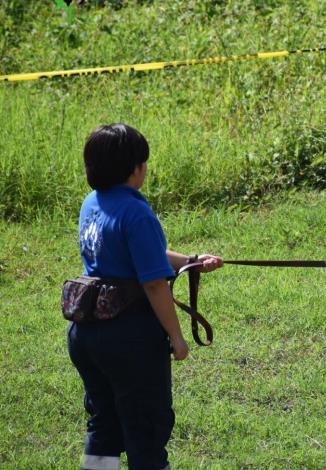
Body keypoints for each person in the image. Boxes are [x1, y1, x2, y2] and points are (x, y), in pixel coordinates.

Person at [67, 123, 224, 469]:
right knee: (146, 430)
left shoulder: (92, 203)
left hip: (86, 332)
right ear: (135, 168)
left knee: (104, 422)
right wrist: (177, 336)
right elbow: (154, 284)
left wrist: (191, 262)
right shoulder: (137, 213)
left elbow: (141, 253)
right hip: (129, 338)